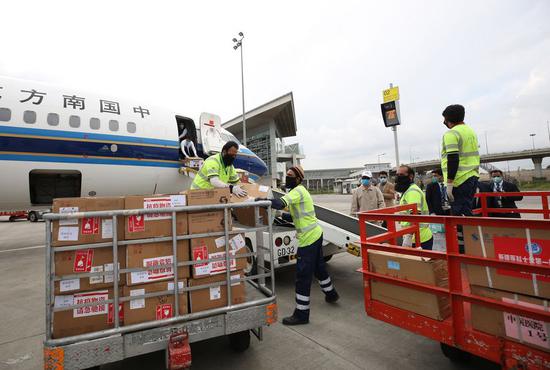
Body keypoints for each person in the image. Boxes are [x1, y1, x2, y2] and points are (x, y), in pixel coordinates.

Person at [258, 165, 339, 325]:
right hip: (316, 234)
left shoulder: (297, 191)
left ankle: (301, 314)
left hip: (308, 239)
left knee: (303, 276)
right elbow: (297, 213)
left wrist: (260, 201)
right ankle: (331, 294)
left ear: (298, 178)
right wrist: (283, 216)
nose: (287, 178)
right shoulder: (299, 191)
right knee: (319, 268)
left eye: (290, 175)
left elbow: (280, 203)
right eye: (286, 175)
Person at [440, 104, 480, 217]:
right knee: (467, 211)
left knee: (460, 215)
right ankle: (469, 234)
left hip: (459, 180)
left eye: (444, 118)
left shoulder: (451, 133)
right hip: (472, 176)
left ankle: (464, 235)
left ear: (449, 119)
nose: (444, 122)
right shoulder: (470, 131)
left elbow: (453, 159)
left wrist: (449, 183)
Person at [395, 165, 433, 250]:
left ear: (410, 176)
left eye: (401, 175)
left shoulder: (412, 192)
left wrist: (408, 236)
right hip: (416, 236)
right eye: (397, 175)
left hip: (419, 238)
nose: (398, 177)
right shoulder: (408, 190)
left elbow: (415, 215)